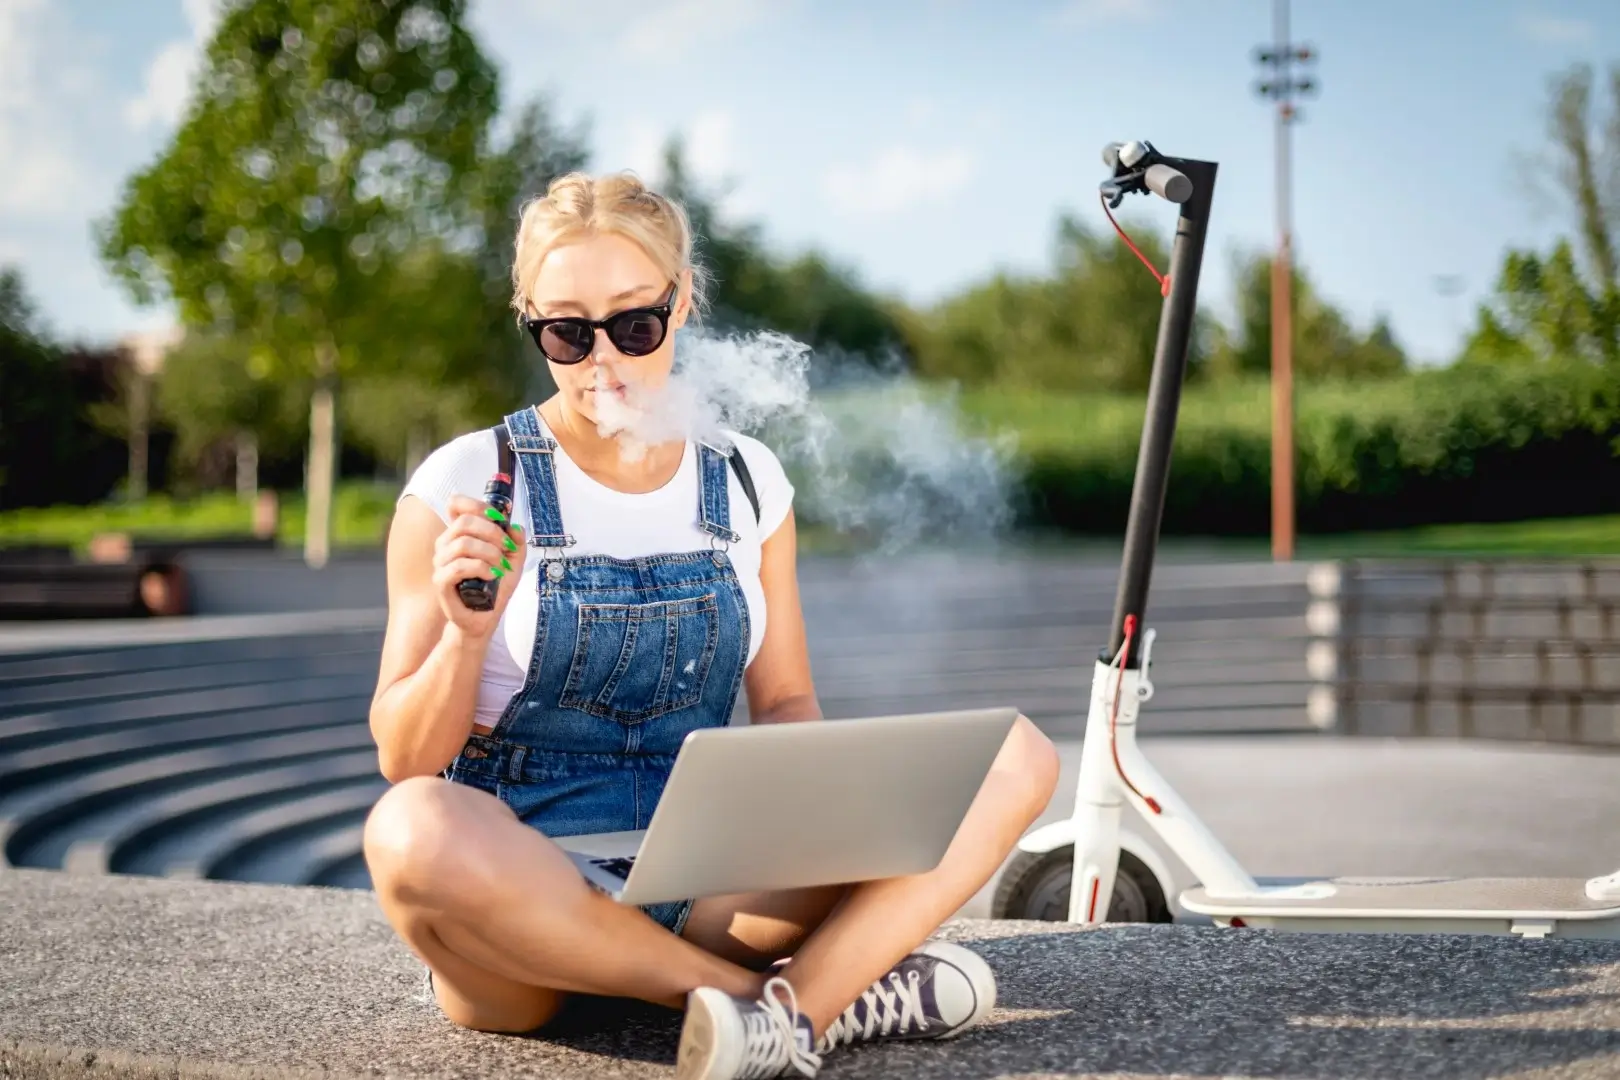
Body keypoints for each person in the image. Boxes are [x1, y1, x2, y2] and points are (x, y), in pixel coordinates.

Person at [362, 171, 1062, 1079]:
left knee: (1016, 755)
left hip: (711, 875)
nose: (602, 360)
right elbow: (406, 759)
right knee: (409, 828)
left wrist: (825, 809)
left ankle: (791, 1011)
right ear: (529, 319)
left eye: (634, 324)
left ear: (681, 300)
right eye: (567, 333)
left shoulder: (745, 479)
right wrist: (465, 634)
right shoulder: (465, 482)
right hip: (522, 902)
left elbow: (785, 701)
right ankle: (798, 1002)